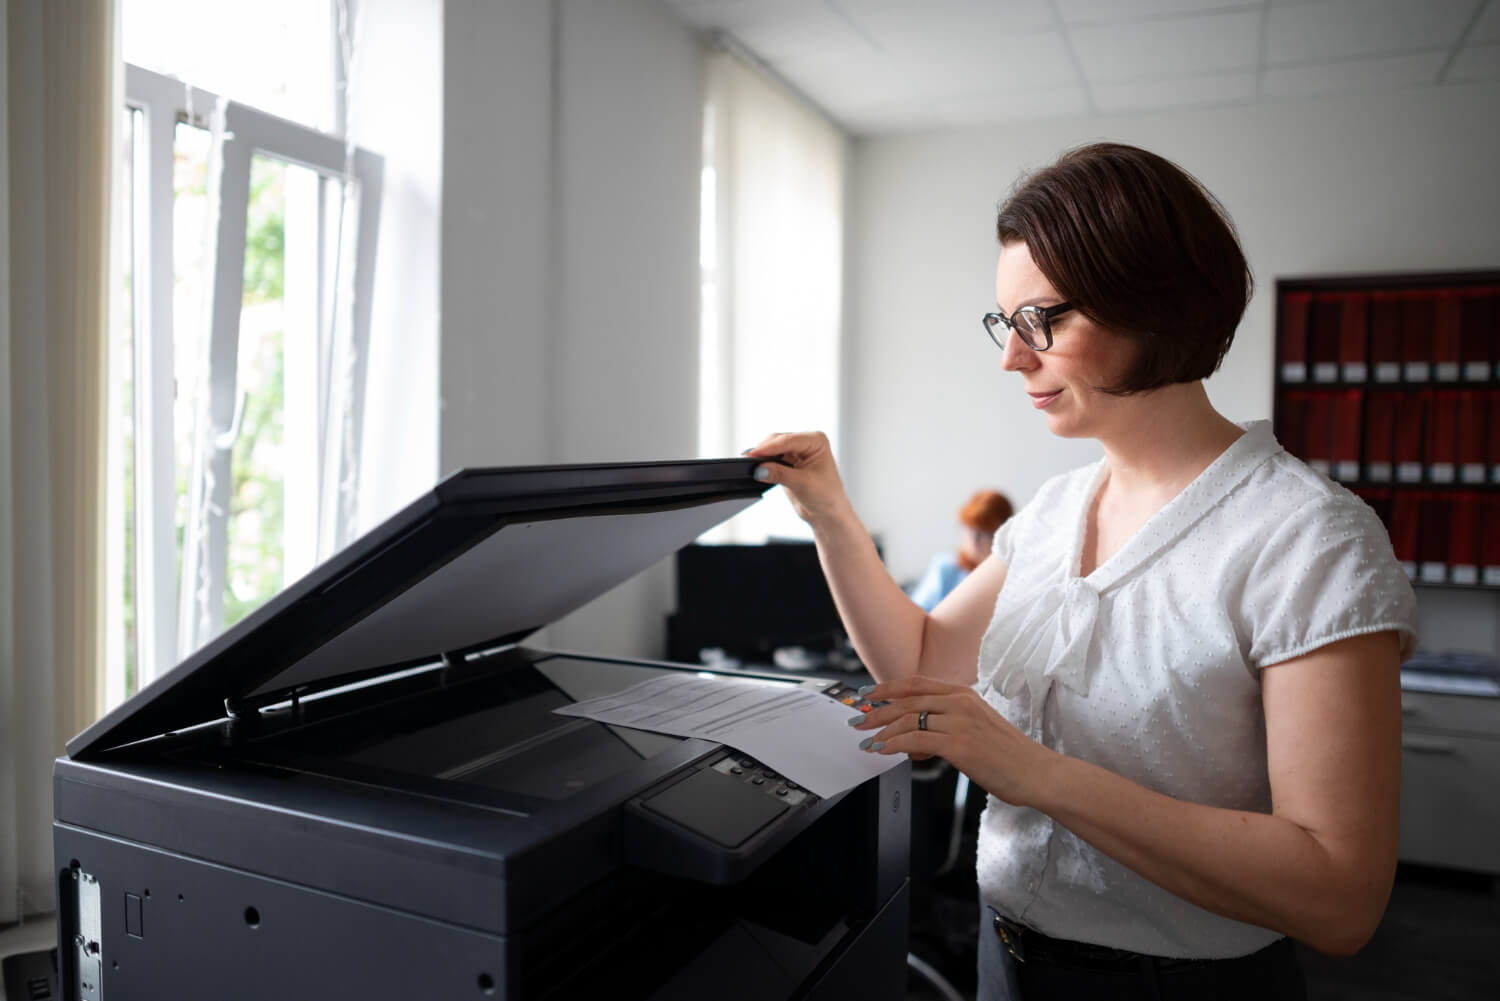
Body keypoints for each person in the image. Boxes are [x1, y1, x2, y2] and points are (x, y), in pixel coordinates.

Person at [746, 142, 1416, 1001]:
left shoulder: (1308, 539)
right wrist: (832, 516)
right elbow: (922, 667)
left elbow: (1339, 896)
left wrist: (1037, 772)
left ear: (1153, 304)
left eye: (1043, 322)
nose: (1012, 359)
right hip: (1008, 957)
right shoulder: (1057, 510)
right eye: (1005, 323)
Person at [910, 490, 1014, 612]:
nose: (975, 539)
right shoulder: (946, 567)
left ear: (1003, 533)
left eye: (985, 532)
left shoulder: (1012, 575)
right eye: (970, 528)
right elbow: (917, 612)